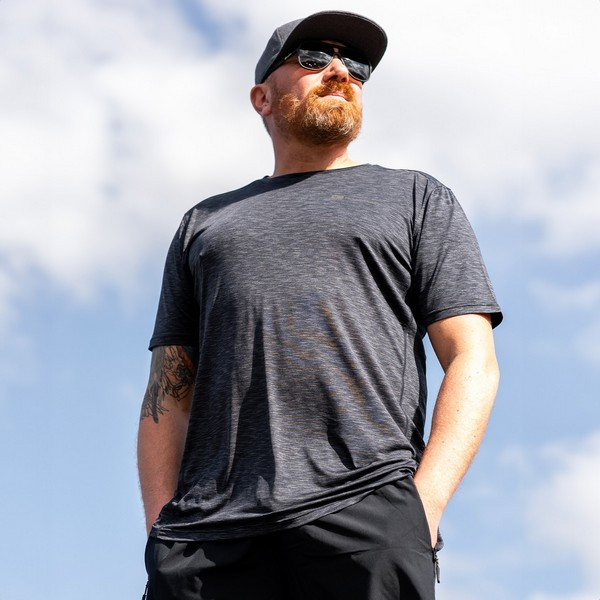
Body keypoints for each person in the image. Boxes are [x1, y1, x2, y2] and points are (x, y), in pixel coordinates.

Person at [138, 10, 502, 600]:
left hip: (365, 511)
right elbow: (167, 392)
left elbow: (472, 359)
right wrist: (161, 528)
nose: (340, 71)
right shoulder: (203, 224)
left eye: (354, 64)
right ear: (261, 97)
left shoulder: (416, 198)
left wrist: (422, 508)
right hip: (207, 539)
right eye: (312, 58)